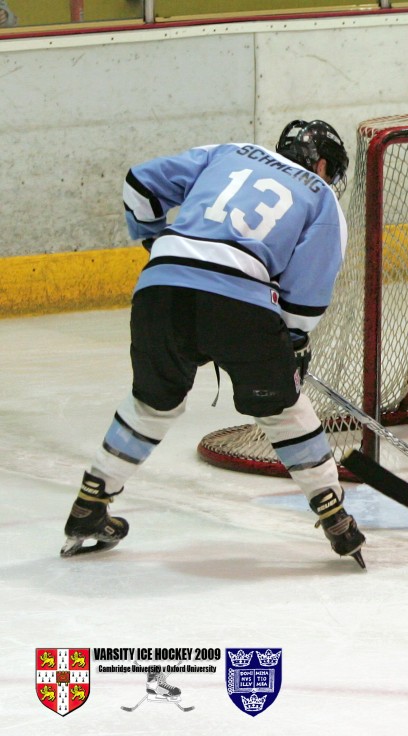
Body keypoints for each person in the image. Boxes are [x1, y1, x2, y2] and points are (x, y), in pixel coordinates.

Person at [60, 119, 366, 568]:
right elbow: (303, 301)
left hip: (160, 288)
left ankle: (90, 503)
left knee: (152, 402)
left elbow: (140, 183)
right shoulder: (321, 198)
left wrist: (156, 245)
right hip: (240, 302)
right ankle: (334, 515)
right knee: (283, 410)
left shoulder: (231, 151)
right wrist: (289, 346)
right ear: (321, 164)